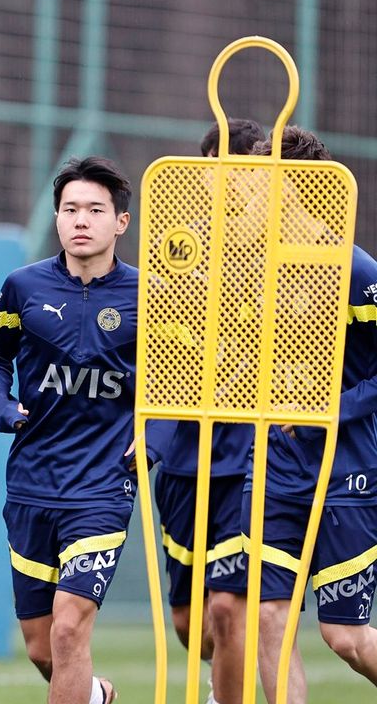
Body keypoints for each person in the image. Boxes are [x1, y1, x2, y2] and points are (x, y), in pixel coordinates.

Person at [0, 156, 157, 704]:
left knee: (70, 626)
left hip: (103, 485)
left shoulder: (150, 295)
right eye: (70, 209)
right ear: (57, 217)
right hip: (32, 481)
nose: (81, 220)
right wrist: (1, 406)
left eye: (95, 210)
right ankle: (95, 696)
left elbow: (185, 377)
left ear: (120, 222)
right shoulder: (22, 286)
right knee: (41, 646)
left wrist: (159, 436)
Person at [242, 126, 377, 704]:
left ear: (297, 189)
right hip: (273, 467)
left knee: (344, 637)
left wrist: (329, 409)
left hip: (346, 469)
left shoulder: (356, 270)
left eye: (260, 184)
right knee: (268, 617)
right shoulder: (252, 268)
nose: (249, 195)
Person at [150, 117, 263, 704]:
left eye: (238, 169)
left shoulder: (283, 247)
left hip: (249, 456)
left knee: (226, 608)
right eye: (213, 168)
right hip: (184, 454)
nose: (224, 180)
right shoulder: (181, 244)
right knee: (190, 625)